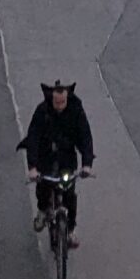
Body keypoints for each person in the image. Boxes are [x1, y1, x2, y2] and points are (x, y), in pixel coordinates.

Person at [20, 80, 95, 248]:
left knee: (69, 194)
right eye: (56, 102)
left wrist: (87, 164)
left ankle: (70, 231)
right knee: (43, 185)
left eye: (63, 102)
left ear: (67, 98)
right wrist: (32, 167)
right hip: (45, 156)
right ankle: (42, 210)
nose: (59, 106)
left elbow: (85, 137)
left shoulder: (76, 110)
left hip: (66, 157)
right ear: (51, 99)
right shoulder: (42, 111)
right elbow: (33, 138)